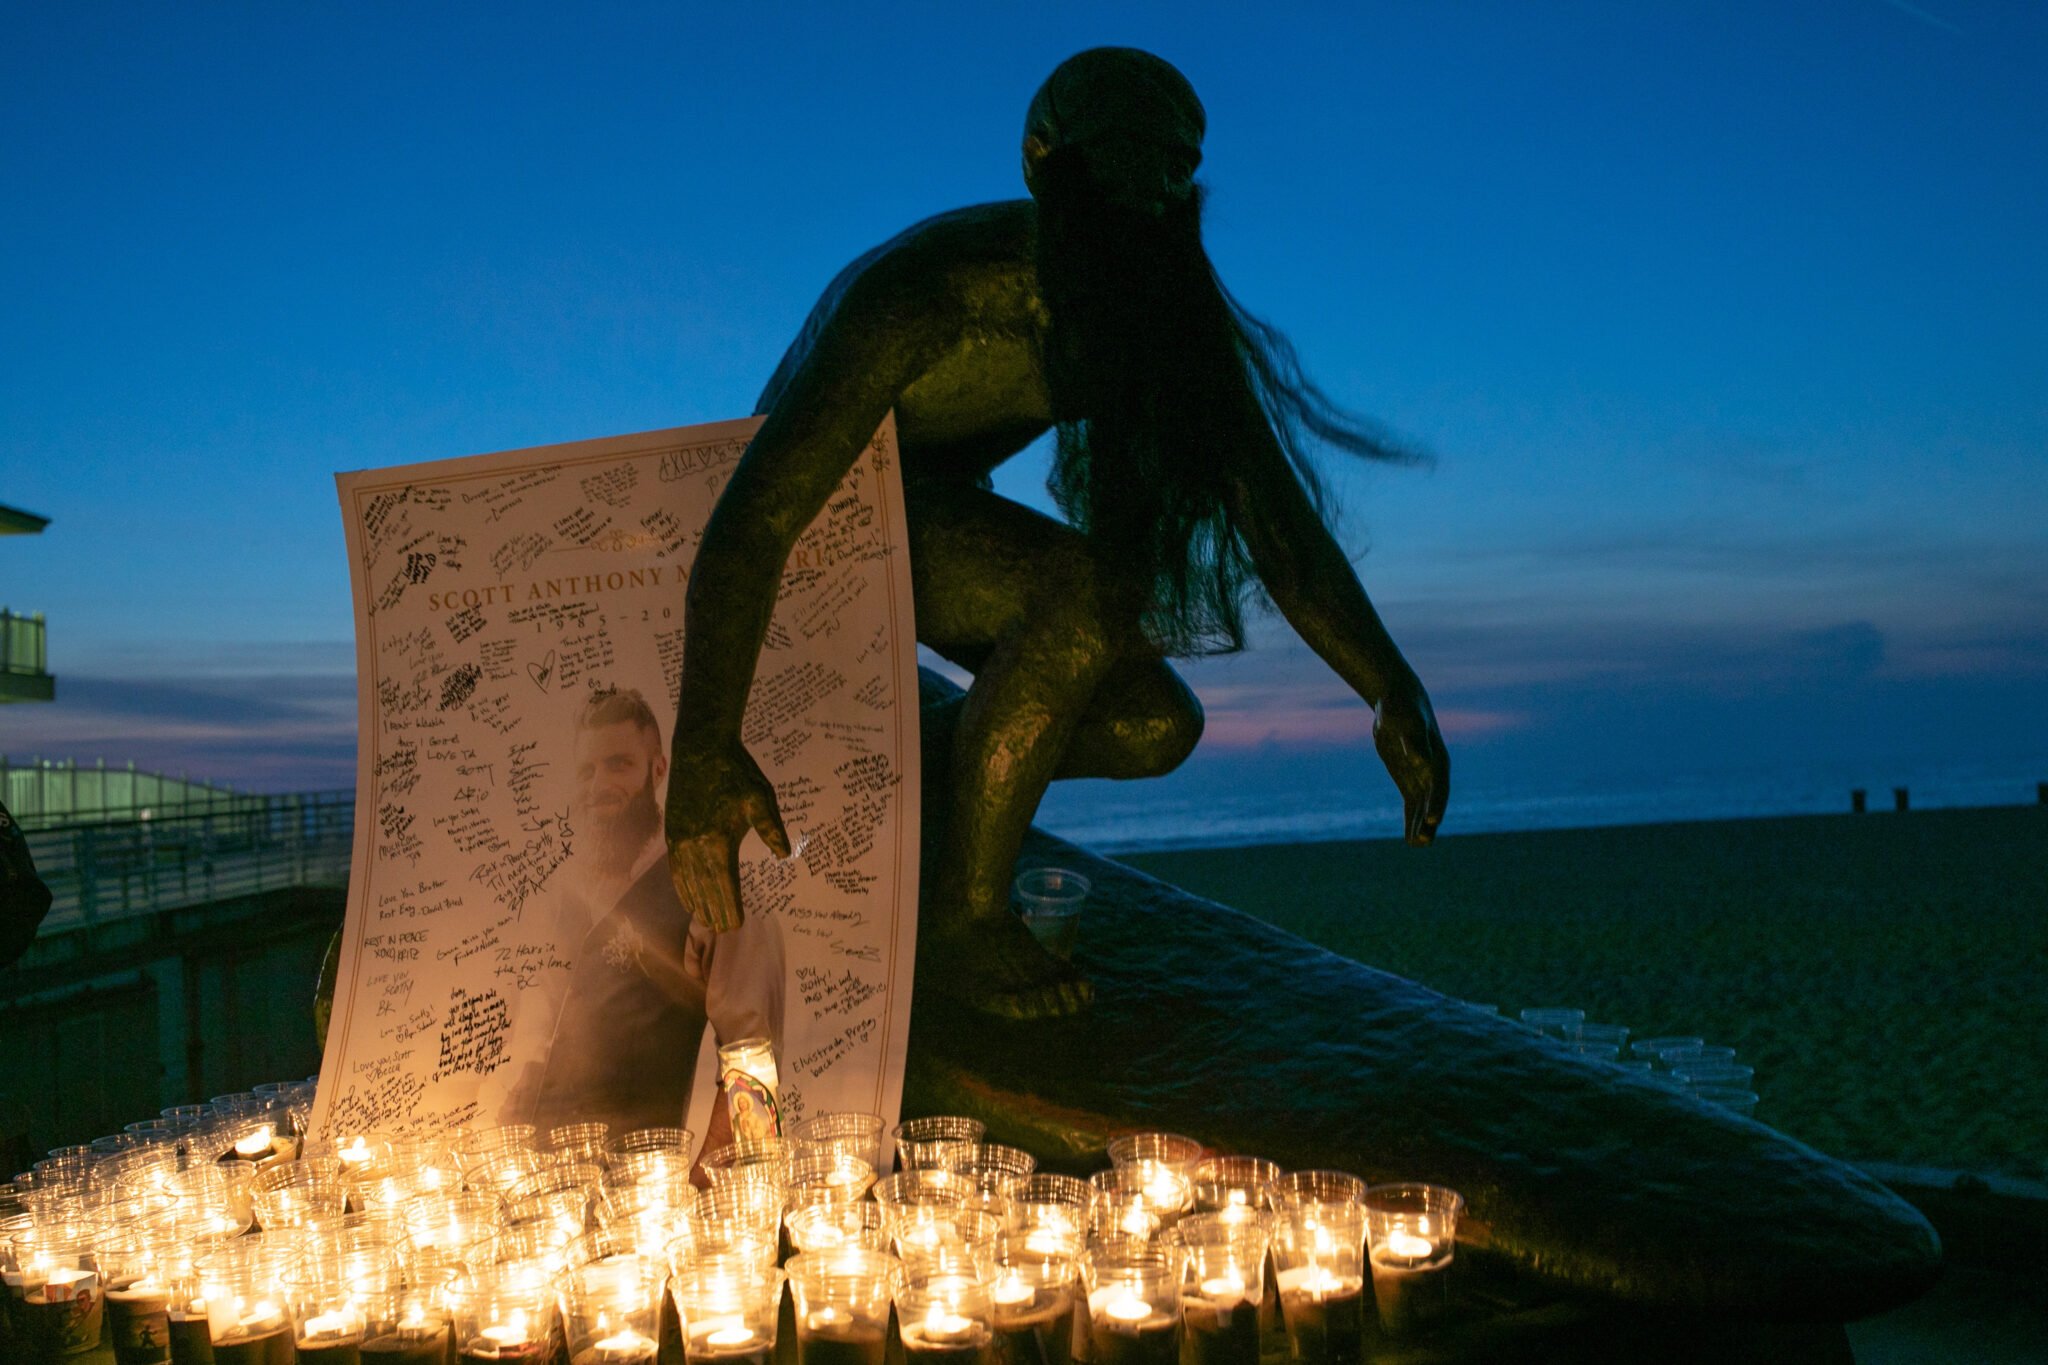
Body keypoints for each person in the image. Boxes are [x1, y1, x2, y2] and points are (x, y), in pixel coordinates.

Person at [664, 48, 1448, 1019]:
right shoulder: (930, 295)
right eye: (1117, 159)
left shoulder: (1154, 310)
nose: (1147, 189)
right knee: (1082, 589)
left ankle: (896, 793)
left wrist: (1387, 688)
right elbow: (754, 521)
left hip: (929, 524)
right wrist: (703, 750)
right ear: (1041, 159)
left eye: (1171, 166)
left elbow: (1274, 525)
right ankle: (964, 928)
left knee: (1151, 724)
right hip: (820, 538)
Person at [500, 686, 784, 1145]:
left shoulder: (709, 886)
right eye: (586, 770)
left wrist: (712, 1176)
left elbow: (751, 1053)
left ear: (658, 770)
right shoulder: (561, 891)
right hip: (545, 1181)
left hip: (644, 1184)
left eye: (618, 764)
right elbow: (540, 1017)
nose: (598, 786)